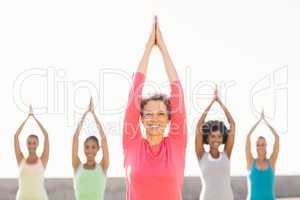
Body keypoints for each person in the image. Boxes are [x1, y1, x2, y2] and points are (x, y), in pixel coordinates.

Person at [123, 16, 187, 200]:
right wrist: (148, 48)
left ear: (169, 119)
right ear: (141, 119)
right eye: (149, 114)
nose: (155, 118)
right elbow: (134, 94)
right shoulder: (132, 143)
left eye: (161, 114)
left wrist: (163, 48)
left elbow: (177, 92)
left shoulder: (176, 143)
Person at [195, 88, 235, 200]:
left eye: (219, 136)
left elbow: (232, 124)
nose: (216, 140)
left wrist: (220, 102)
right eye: (212, 136)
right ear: (207, 138)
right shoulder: (201, 155)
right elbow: (199, 126)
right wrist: (212, 102)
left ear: (223, 139)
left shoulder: (226, 154)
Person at [72, 97, 109, 200]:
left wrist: (93, 114)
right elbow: (75, 139)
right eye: (87, 147)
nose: (90, 150)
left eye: (93, 147)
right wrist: (85, 114)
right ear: (83, 148)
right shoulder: (77, 165)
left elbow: (104, 140)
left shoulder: (103, 166)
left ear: (98, 149)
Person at [14, 105, 49, 200]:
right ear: (26, 144)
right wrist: (27, 118)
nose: (31, 145)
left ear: (37, 144)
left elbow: (46, 135)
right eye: (29, 143)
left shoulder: (42, 160)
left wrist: (34, 117)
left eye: (34, 143)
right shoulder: (21, 160)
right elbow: (16, 136)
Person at [246, 111, 280, 200]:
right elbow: (248, 136)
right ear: (255, 147)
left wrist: (265, 121)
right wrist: (258, 120)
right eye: (258, 145)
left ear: (266, 146)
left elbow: (277, 137)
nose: (260, 147)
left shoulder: (271, 162)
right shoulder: (250, 161)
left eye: (262, 144)